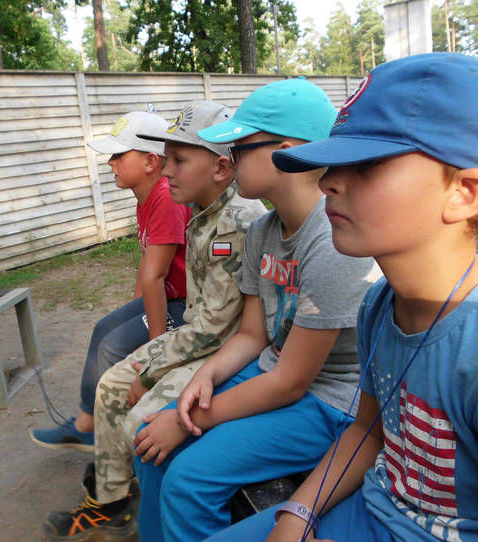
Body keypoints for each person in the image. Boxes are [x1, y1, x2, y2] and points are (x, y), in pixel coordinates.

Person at [209, 53, 478, 542]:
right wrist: (298, 513)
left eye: (368, 164)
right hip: (372, 508)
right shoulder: (379, 304)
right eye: (335, 163)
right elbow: (367, 432)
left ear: (465, 192)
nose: (328, 181)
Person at [131, 78, 381, 542]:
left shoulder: (331, 243)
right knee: (149, 440)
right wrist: (206, 375)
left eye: (239, 150)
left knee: (189, 480)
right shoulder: (263, 231)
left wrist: (192, 419)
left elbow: (292, 382)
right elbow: (252, 335)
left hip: (330, 402)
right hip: (272, 371)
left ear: (286, 154)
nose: (229, 160)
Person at [42, 101, 267, 540]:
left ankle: (157, 514)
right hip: (202, 337)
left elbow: (214, 329)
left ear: (221, 168)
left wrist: (151, 369)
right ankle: (111, 502)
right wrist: (151, 361)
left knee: (139, 422)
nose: (166, 171)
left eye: (178, 160)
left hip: (226, 350)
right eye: (166, 159)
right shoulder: (203, 208)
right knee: (110, 385)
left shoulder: (235, 221)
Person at [30, 111, 191, 451]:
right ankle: (86, 424)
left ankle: (114, 439)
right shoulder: (146, 197)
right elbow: (148, 262)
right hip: (167, 296)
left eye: (119, 154)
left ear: (150, 161)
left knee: (112, 346)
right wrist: (132, 308)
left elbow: (156, 275)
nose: (110, 163)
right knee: (104, 328)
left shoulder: (165, 197)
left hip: (185, 305)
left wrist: (155, 352)